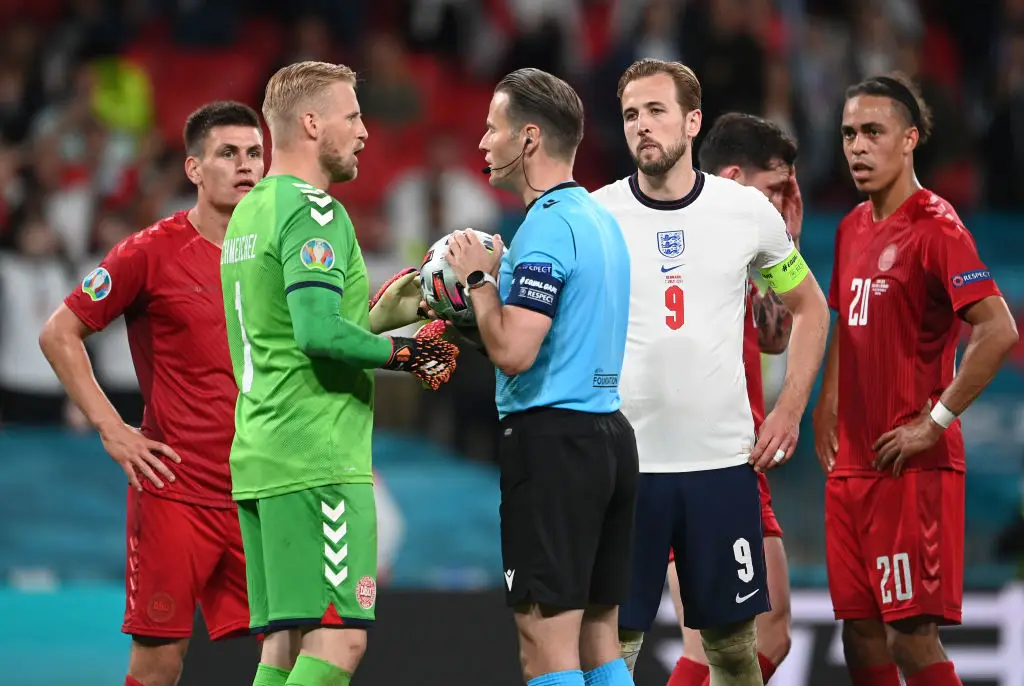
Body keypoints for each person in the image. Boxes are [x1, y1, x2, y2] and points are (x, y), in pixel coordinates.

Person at [589, 58, 830, 686]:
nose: (642, 126)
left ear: (692, 121)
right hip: (629, 471)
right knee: (614, 645)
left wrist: (789, 408)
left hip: (722, 471)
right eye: (630, 115)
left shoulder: (744, 213)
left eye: (656, 111)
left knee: (730, 649)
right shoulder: (596, 216)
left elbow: (809, 309)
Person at [220, 61, 459, 686]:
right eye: (352, 116)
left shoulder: (249, 212)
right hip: (317, 455)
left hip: (262, 451)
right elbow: (318, 334)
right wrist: (412, 355)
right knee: (340, 641)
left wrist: (383, 313)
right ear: (310, 122)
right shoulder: (315, 210)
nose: (364, 132)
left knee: (285, 644)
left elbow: (296, 324)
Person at [38, 101, 266, 686]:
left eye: (254, 154)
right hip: (177, 492)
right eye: (227, 154)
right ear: (193, 169)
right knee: (160, 663)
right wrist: (112, 428)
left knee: (302, 645)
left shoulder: (278, 256)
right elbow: (59, 333)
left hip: (262, 489)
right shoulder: (149, 252)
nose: (245, 166)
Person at [811, 73, 1020, 686]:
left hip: (910, 466)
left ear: (910, 139)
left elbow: (998, 331)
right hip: (853, 462)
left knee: (910, 638)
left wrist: (935, 423)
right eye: (849, 133)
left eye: (873, 132)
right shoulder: (850, 226)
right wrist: (827, 403)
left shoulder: (936, 225)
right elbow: (845, 321)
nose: (857, 146)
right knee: (861, 632)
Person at [444, 67, 638, 686]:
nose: (482, 143)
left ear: (528, 139)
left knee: (544, 647)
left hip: (553, 447)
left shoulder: (545, 227)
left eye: (492, 129)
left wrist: (477, 277)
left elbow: (516, 353)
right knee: (599, 640)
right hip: (608, 439)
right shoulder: (600, 219)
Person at [664, 112, 803, 686]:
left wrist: (784, 238)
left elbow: (774, 338)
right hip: (697, 459)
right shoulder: (683, 239)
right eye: (775, 189)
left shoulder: (747, 241)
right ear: (734, 176)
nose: (783, 200)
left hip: (734, 456)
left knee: (758, 637)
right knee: (724, 642)